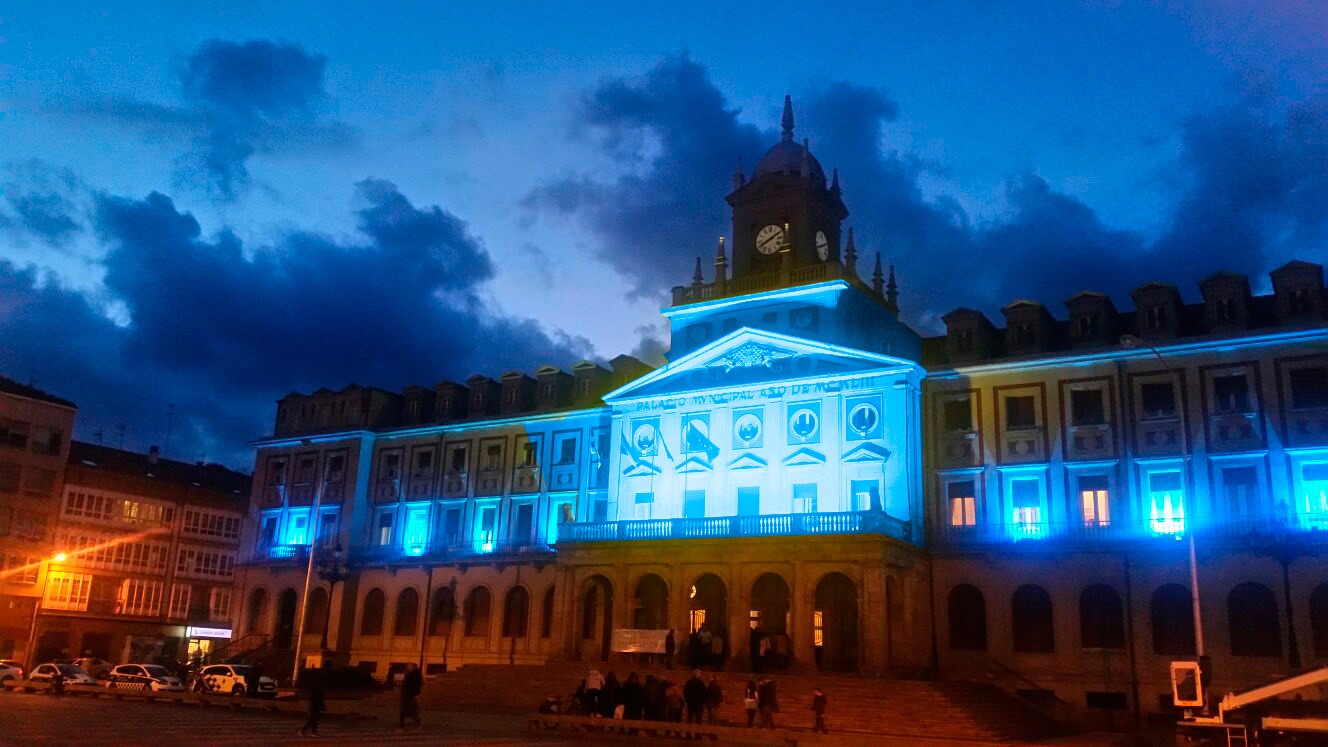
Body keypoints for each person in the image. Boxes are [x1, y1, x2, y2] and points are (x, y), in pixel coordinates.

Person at [298, 667, 326, 737]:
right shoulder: (317, 687)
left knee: (314, 719)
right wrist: (321, 705)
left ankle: (311, 731)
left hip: (314, 705)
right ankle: (306, 730)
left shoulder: (315, 686)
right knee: (313, 719)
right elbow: (317, 697)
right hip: (315, 705)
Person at [398, 662, 423, 732]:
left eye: (409, 666)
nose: (407, 667)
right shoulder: (411, 674)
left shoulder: (414, 675)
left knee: (405, 711)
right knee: (411, 712)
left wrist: (416, 695)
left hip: (409, 696)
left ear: (413, 667)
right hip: (408, 695)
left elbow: (415, 685)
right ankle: (418, 724)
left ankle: (401, 727)